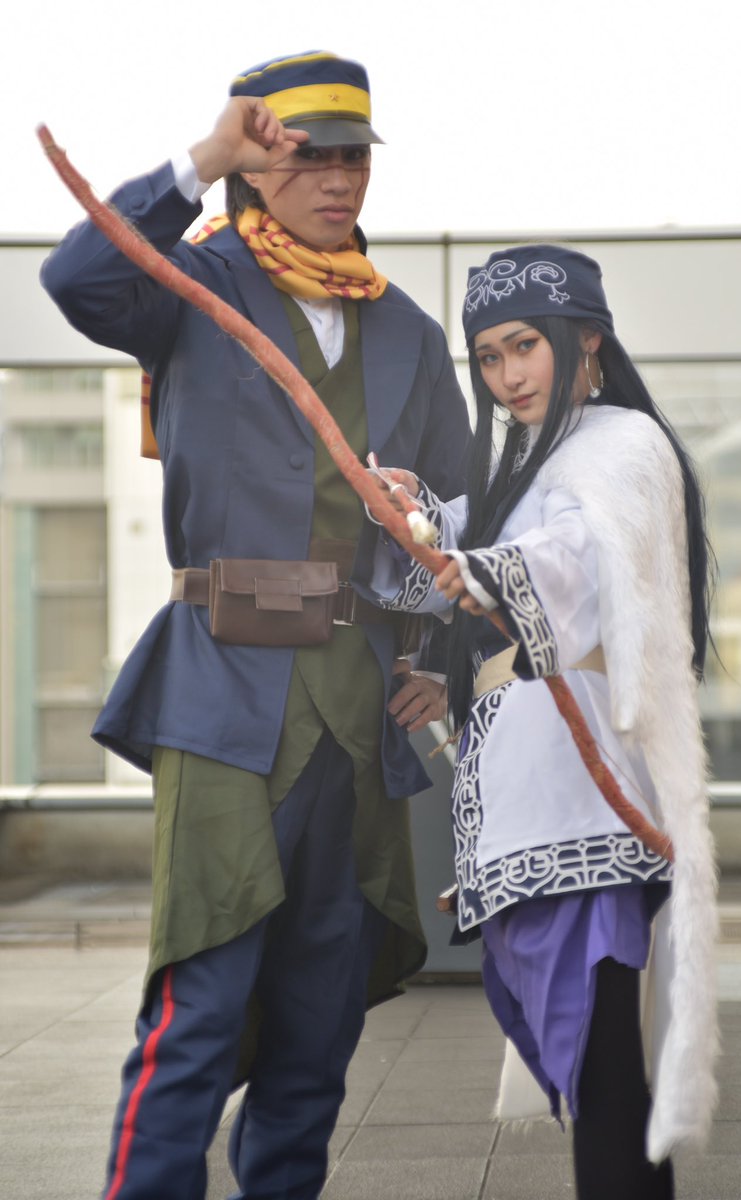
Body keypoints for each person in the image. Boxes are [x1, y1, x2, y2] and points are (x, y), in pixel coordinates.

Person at [41, 51, 470, 1200]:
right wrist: (204, 157)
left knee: (320, 1023)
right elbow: (76, 276)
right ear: (257, 163)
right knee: (201, 1000)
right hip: (223, 694)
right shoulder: (191, 283)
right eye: (307, 156)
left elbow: (461, 517)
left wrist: (436, 659)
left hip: (359, 704)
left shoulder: (407, 331)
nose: (337, 179)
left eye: (353, 158)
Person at [369, 243, 719, 1200]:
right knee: (603, 1081)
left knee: (609, 1081)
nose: (507, 376)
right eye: (488, 357)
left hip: (590, 802)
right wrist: (419, 521)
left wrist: (477, 569)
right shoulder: (535, 459)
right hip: (542, 803)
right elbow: (470, 558)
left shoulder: (622, 446)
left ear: (586, 340)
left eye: (525, 346)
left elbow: (568, 564)